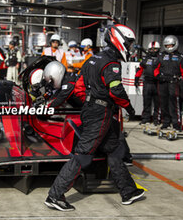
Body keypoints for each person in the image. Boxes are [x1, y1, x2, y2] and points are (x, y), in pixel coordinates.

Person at [45, 24, 144, 211]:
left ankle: (128, 190)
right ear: (119, 40)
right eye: (129, 43)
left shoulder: (92, 59)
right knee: (82, 155)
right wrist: (129, 108)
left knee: (114, 150)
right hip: (101, 113)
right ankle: (55, 196)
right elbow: (116, 91)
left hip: (92, 110)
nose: (130, 47)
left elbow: (80, 87)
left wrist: (90, 103)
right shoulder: (111, 63)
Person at [154, 35, 183, 130]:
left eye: (170, 45)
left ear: (175, 45)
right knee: (163, 103)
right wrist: (158, 76)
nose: (168, 47)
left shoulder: (180, 57)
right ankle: (165, 122)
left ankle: (176, 123)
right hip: (162, 83)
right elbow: (155, 68)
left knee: (174, 103)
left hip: (174, 83)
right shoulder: (161, 56)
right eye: (167, 46)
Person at [135, 41, 161, 125]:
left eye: (155, 49)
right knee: (146, 102)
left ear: (158, 49)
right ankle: (145, 119)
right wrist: (136, 79)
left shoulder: (161, 58)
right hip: (147, 83)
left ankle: (156, 119)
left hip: (157, 83)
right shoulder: (145, 59)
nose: (153, 51)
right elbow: (140, 69)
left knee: (158, 103)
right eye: (151, 49)